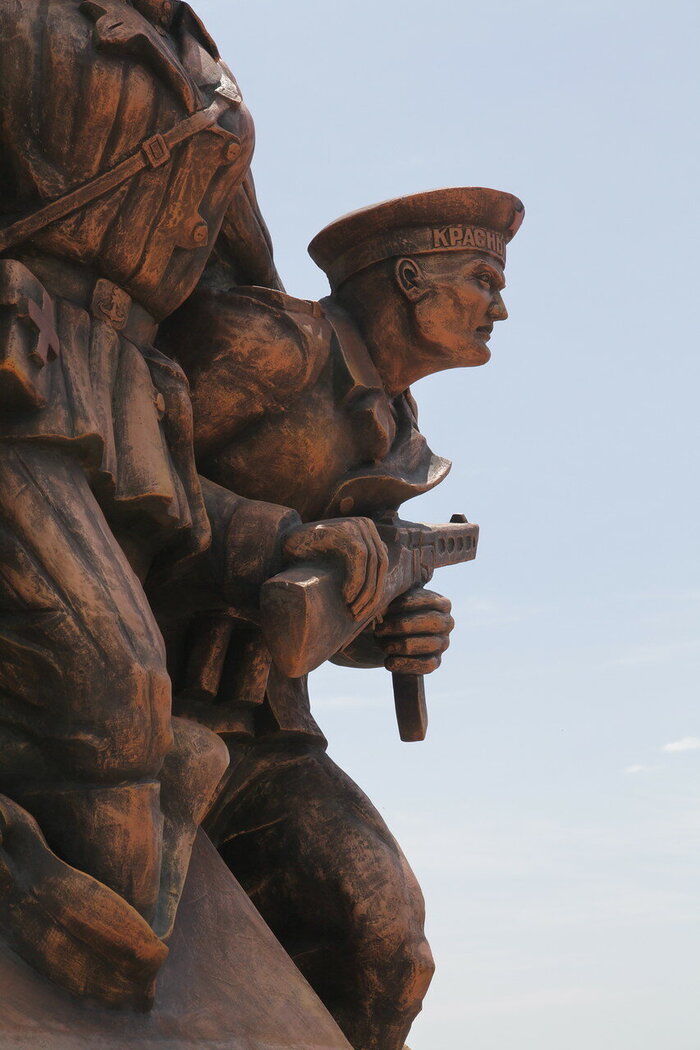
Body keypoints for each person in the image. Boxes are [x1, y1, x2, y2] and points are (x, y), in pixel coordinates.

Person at [0, 0, 388, 1003]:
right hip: (18, 355)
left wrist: (296, 538)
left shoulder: (205, 71)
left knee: (138, 731)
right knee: (120, 701)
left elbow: (230, 283)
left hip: (122, 383)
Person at [159, 186, 524, 1050]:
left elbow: (329, 593)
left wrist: (391, 628)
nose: (499, 309)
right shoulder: (272, 345)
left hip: (265, 735)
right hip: (135, 699)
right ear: (409, 278)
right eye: (482, 279)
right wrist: (277, 538)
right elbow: (130, 463)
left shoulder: (395, 425)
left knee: (387, 948)